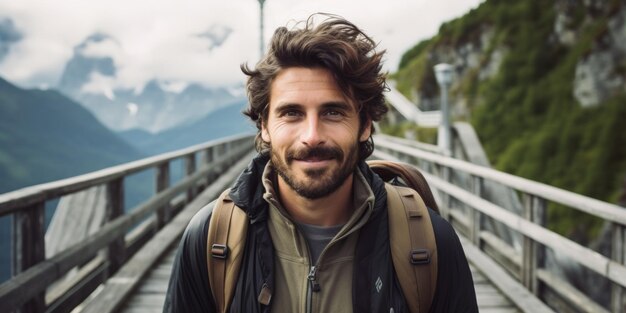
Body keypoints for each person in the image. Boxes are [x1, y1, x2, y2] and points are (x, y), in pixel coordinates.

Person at [164, 14, 478, 313]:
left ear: (365, 124)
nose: (312, 136)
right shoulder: (210, 241)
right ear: (264, 126)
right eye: (291, 113)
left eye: (332, 112)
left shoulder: (431, 243)